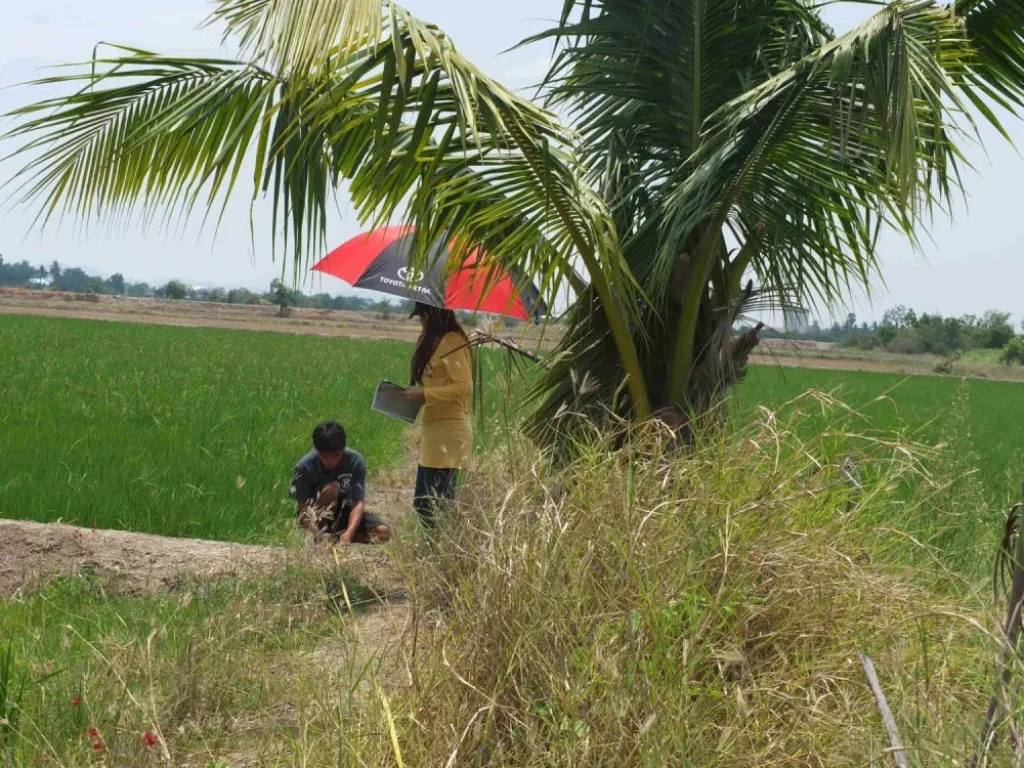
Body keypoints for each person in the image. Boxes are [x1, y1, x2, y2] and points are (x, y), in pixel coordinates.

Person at [399, 302, 474, 527]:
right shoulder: (433, 343)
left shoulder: (452, 341)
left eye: (422, 318)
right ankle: (436, 553)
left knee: (436, 506)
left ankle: (444, 556)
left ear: (431, 316)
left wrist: (424, 392)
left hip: (449, 433)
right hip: (433, 432)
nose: (421, 324)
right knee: (424, 504)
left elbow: (464, 386)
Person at [290, 421, 391, 543]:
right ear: (317, 450)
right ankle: (320, 536)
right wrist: (317, 532)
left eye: (335, 456)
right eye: (325, 456)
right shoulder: (304, 467)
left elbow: (358, 502)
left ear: (343, 448)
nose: (330, 461)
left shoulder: (356, 461)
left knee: (383, 532)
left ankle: (337, 538)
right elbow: (303, 510)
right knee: (333, 488)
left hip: (344, 510)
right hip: (316, 516)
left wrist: (349, 532)